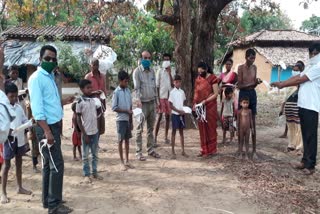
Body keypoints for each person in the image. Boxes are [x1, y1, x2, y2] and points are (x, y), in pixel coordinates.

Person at [28, 45, 73, 213]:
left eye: (53, 59)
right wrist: (47, 132)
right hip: (46, 128)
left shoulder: (50, 77)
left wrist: (64, 102)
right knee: (57, 165)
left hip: (52, 126)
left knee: (48, 164)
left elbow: (49, 103)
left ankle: (48, 199)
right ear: (40, 59)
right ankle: (54, 205)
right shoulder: (37, 79)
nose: (51, 61)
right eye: (47, 58)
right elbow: (38, 110)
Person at [271, 43, 320, 175]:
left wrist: (282, 85)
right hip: (303, 104)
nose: (311, 55)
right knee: (305, 134)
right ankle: (304, 161)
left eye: (313, 53)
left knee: (311, 135)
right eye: (310, 53)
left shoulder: (319, 66)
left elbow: (301, 79)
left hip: (311, 105)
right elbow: (297, 76)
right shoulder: (310, 65)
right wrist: (283, 82)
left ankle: (310, 165)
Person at [1, 83, 32, 204]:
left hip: (19, 139)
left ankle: (19, 187)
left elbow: (24, 120)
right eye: (11, 96)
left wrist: (29, 124)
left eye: (15, 96)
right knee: (6, 165)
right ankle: (3, 193)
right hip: (8, 140)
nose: (14, 99)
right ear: (6, 96)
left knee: (19, 162)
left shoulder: (19, 108)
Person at [133, 50, 161, 161]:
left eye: (149, 58)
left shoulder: (152, 71)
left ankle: (150, 149)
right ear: (141, 58)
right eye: (145, 58)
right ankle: (138, 152)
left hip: (152, 103)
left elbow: (154, 88)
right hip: (142, 104)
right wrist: (138, 100)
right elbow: (136, 88)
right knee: (139, 128)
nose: (147, 60)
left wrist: (157, 102)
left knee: (150, 128)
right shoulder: (137, 72)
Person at [76, 79, 103, 183]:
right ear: (82, 89)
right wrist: (84, 133)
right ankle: (86, 174)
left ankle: (95, 172)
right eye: (88, 88)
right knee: (85, 155)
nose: (90, 89)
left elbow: (99, 111)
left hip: (95, 132)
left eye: (91, 87)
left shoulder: (94, 100)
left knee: (95, 154)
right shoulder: (80, 102)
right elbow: (78, 118)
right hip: (86, 133)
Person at [237, 48, 262, 159]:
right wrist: (252, 83)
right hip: (243, 94)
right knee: (242, 122)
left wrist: (256, 83)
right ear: (246, 57)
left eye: (254, 58)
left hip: (252, 94)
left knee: (252, 122)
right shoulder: (240, 68)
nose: (253, 60)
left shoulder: (255, 67)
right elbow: (239, 86)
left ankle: (254, 150)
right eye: (251, 58)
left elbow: (253, 85)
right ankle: (240, 149)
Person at [193, 62, 219, 157]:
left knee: (210, 128)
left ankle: (212, 150)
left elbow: (216, 93)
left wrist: (205, 101)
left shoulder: (213, 78)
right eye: (199, 71)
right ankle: (204, 149)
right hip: (200, 107)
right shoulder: (198, 79)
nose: (200, 73)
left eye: (202, 71)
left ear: (206, 69)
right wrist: (194, 104)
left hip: (210, 107)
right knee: (202, 128)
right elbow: (196, 92)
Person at [279, 61, 305, 153]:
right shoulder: (289, 81)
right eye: (294, 70)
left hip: (298, 106)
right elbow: (285, 96)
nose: (294, 72)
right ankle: (291, 145)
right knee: (291, 126)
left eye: (296, 70)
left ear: (301, 70)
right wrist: (282, 107)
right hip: (289, 107)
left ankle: (299, 146)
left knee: (298, 126)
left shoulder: (303, 81)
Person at [112, 70, 134, 171]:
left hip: (127, 119)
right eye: (125, 81)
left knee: (127, 140)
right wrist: (125, 111)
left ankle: (127, 160)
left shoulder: (128, 91)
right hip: (120, 120)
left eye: (127, 81)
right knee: (120, 140)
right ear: (120, 81)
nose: (126, 83)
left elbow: (130, 105)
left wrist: (131, 120)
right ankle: (121, 162)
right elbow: (114, 107)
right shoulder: (116, 92)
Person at [154, 53, 174, 146]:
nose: (166, 61)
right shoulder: (159, 71)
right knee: (159, 117)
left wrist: (170, 74)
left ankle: (166, 137)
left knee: (167, 117)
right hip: (161, 97)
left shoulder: (171, 71)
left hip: (169, 97)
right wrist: (158, 100)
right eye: (165, 59)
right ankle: (155, 138)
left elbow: (173, 85)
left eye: (168, 60)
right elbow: (157, 86)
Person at [168, 75, 187, 159]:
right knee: (174, 132)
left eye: (179, 82)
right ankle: (172, 152)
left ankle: (183, 151)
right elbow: (170, 105)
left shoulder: (182, 92)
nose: (177, 83)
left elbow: (183, 103)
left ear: (181, 82)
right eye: (176, 82)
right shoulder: (172, 92)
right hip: (175, 114)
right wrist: (178, 111)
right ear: (173, 82)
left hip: (181, 115)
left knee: (181, 132)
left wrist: (183, 111)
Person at [25, 99, 40, 173]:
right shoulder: (30, 106)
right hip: (34, 132)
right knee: (34, 150)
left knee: (39, 149)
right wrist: (31, 132)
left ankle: (37, 164)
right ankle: (34, 166)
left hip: (38, 130)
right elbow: (29, 121)